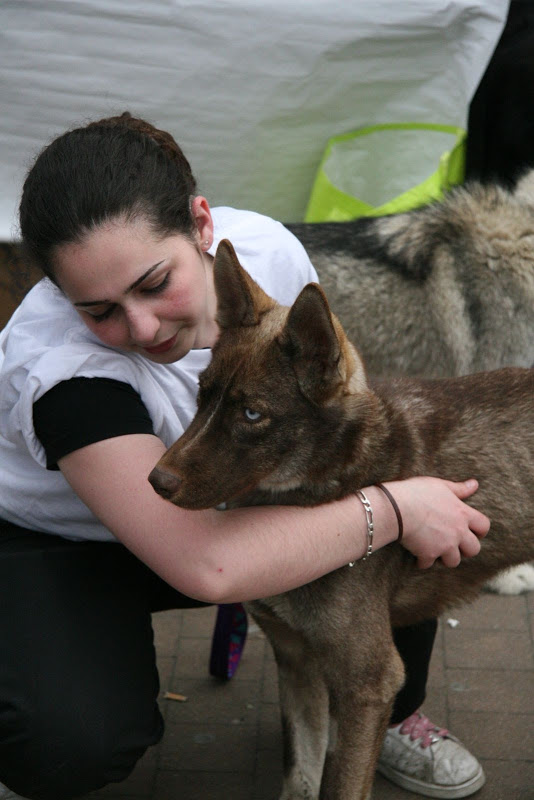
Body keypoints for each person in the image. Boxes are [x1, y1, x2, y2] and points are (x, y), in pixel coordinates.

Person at [0, 112, 489, 800]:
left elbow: (336, 406)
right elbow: (207, 563)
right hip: (64, 541)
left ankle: (386, 710)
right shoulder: (65, 375)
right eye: (99, 309)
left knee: (389, 500)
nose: (140, 328)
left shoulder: (265, 252)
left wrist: (393, 498)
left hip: (211, 495)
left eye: (152, 282)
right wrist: (396, 506)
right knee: (71, 741)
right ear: (58, 292)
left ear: (201, 224)